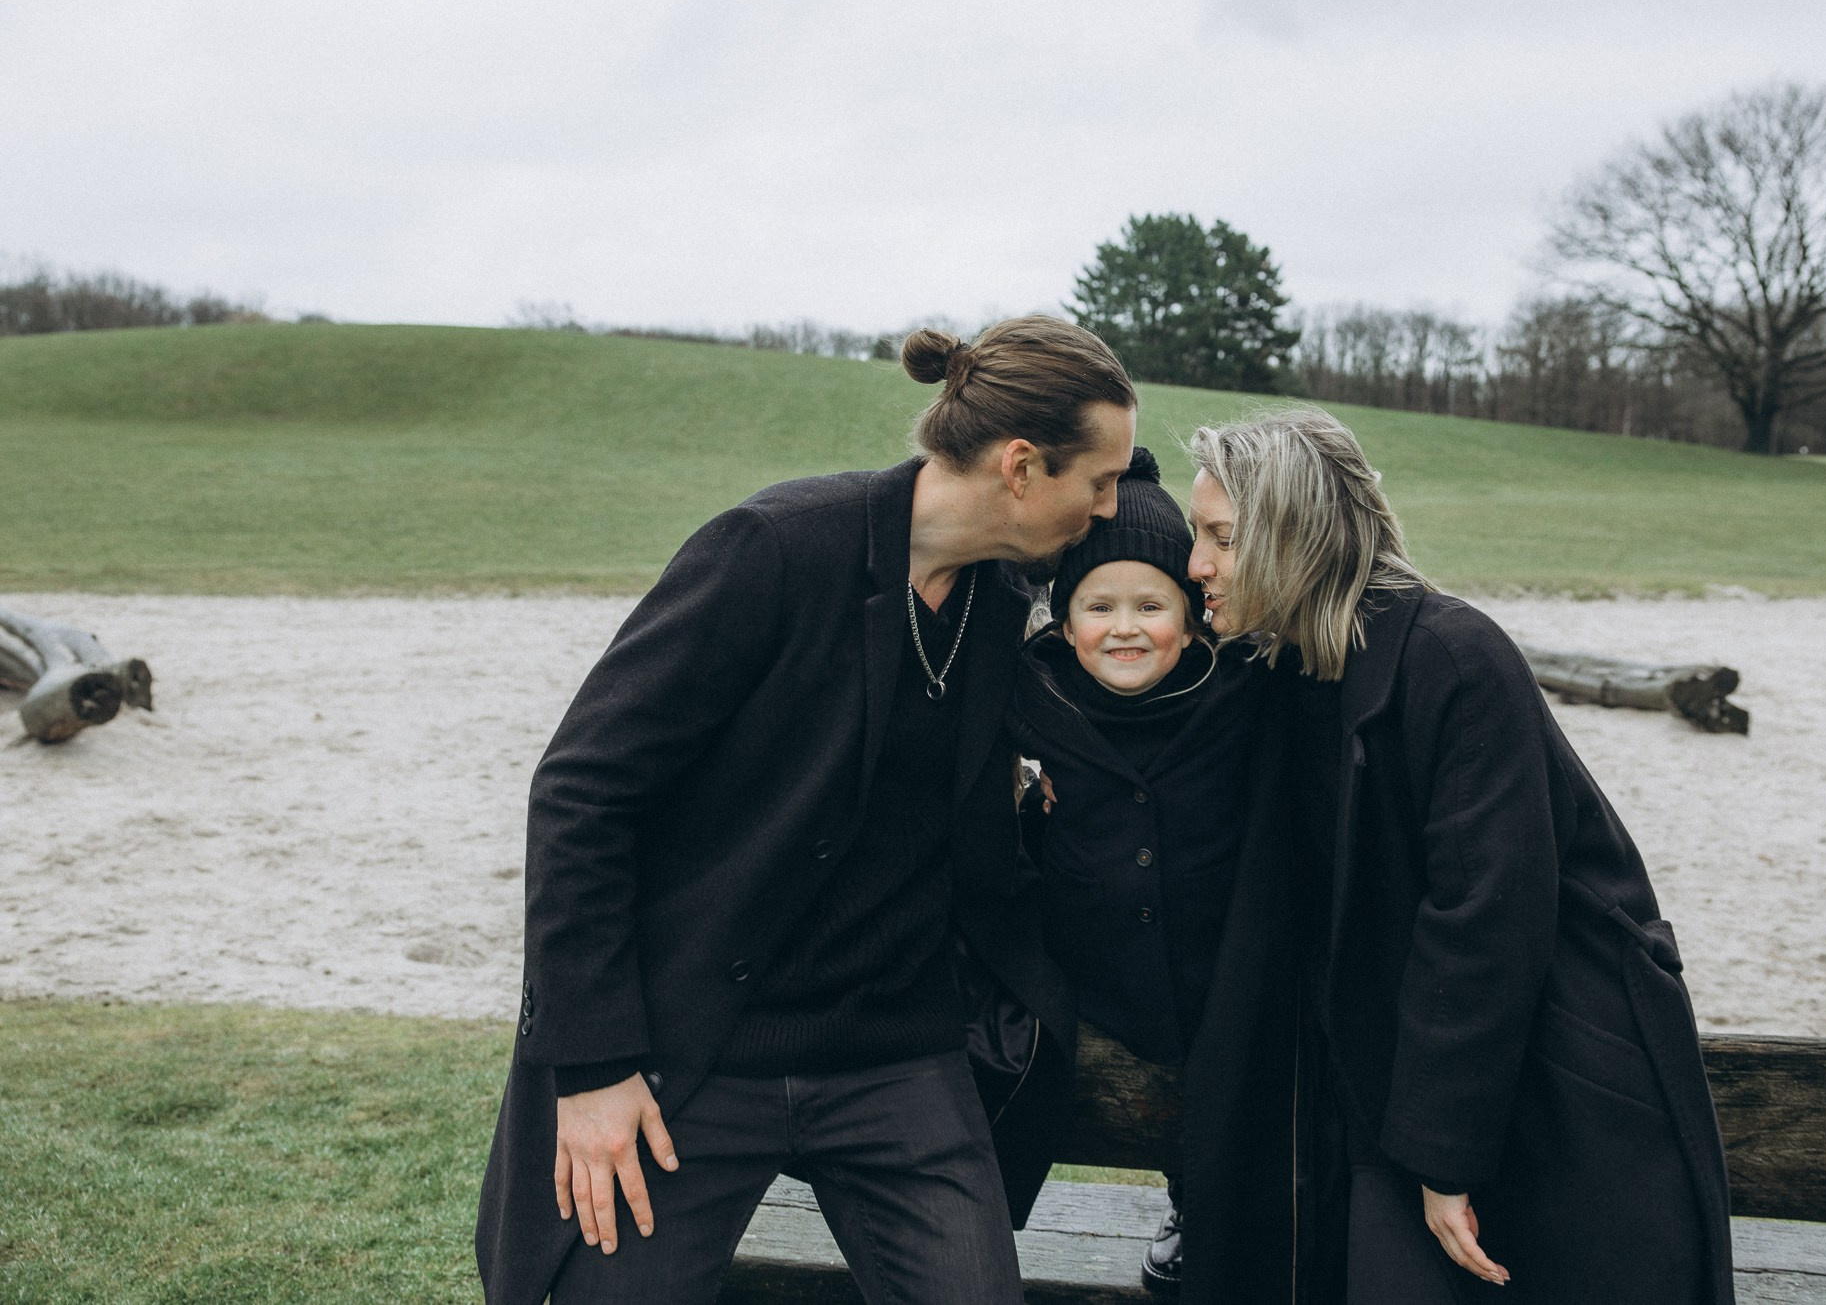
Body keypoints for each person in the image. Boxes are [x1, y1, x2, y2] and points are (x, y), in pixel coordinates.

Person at [473, 317, 1137, 1305]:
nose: (1111, 507)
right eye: (1100, 481)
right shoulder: (775, 549)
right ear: (1020, 465)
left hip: (894, 1054)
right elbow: (581, 790)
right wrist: (593, 1065)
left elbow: (1149, 565)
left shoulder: (1003, 600)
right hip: (702, 1048)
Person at [1183, 409, 1735, 1304]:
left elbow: (1486, 919)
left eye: (1221, 537)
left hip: (1549, 1092)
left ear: (1297, 533)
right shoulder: (1287, 670)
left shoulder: (1453, 658)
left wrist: (1443, 1159)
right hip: (1394, 1087)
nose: (1196, 564)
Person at [1006, 449, 1298, 1302]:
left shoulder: (1239, 691)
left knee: (1229, 1094)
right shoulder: (1038, 694)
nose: (1124, 627)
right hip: (1090, 965)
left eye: (1151, 605)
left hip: (1212, 958)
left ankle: (1198, 1206)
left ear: (1194, 619)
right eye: (1099, 606)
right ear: (1064, 625)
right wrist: (1022, 798)